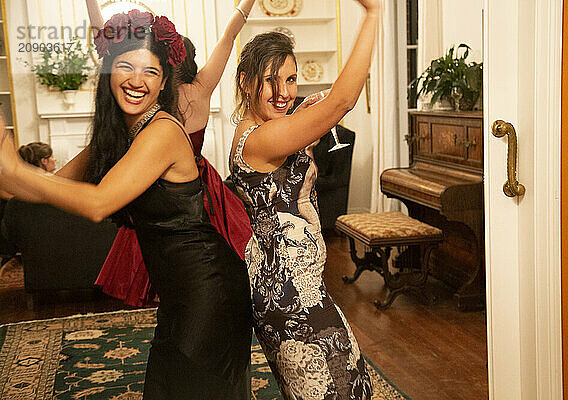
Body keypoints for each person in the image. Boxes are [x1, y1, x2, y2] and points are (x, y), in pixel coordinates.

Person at [0, 11, 251, 398]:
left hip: (210, 290)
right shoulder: (117, 136)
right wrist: (11, 182)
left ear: (165, 81)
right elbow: (51, 185)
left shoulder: (164, 130)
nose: (137, 81)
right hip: (180, 294)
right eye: (125, 67)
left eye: (151, 72)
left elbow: (99, 203)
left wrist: (16, 172)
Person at [228, 0, 380, 398]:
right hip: (291, 301)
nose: (283, 93)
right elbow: (343, 101)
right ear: (245, 82)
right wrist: (374, 15)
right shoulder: (261, 139)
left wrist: (302, 116)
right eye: (270, 81)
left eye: (291, 80)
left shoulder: (268, 128)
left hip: (296, 290)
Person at [78, 0, 256, 306]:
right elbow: (229, 36)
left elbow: (104, 46)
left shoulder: (149, 100)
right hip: (201, 188)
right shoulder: (201, 89)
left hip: (161, 187)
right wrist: (246, 4)